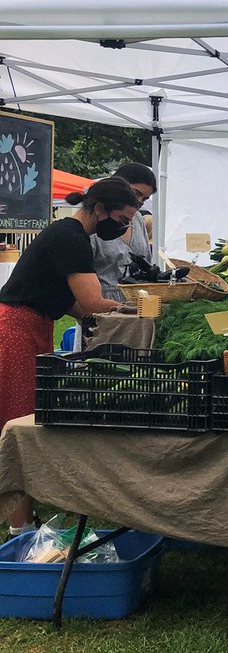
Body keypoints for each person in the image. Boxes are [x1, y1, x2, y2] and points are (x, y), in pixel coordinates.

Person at [0, 178, 139, 537]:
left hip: (33, 324)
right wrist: (130, 309)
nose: (124, 227)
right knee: (19, 424)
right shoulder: (71, 237)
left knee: (29, 414)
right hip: (14, 328)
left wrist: (91, 321)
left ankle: (24, 512)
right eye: (122, 218)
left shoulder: (70, 235)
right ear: (99, 210)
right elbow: (92, 302)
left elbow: (69, 301)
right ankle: (20, 529)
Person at [92, 162, 157, 302]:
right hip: (100, 310)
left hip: (136, 307)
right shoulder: (96, 220)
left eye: (144, 199)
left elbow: (146, 263)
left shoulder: (139, 219)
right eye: (136, 194)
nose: (138, 201)